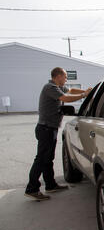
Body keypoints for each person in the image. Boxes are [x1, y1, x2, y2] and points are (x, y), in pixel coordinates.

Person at [25, 67, 92, 201]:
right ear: (58, 76)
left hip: (50, 128)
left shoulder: (57, 86)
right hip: (46, 129)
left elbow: (71, 90)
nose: (66, 79)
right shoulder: (50, 87)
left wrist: (86, 91)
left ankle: (50, 185)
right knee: (41, 159)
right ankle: (32, 188)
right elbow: (65, 98)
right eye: (65, 77)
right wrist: (84, 96)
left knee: (48, 159)